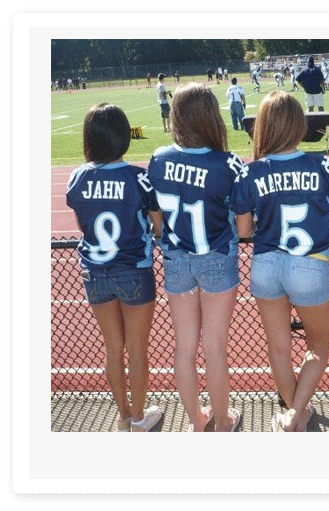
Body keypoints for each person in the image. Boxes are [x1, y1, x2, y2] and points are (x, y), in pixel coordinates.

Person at [231, 91, 329, 432]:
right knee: (318, 346)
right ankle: (295, 415)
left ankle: (294, 413)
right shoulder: (323, 165)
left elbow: (244, 231)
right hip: (310, 263)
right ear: (299, 125)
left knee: (278, 348)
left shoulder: (249, 173)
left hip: (266, 264)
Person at [147, 82, 244, 432]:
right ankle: (222, 423)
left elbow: (157, 221)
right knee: (215, 348)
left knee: (184, 349)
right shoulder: (228, 164)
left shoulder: (158, 159)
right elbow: (242, 223)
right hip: (216, 255)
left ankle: (197, 421)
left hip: (177, 259)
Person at [66, 103, 163, 432]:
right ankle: (139, 418)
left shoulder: (77, 177)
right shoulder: (138, 178)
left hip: (95, 272)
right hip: (134, 269)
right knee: (137, 349)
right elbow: (158, 227)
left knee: (113, 348)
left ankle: (123, 415)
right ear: (123, 136)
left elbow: (82, 223)